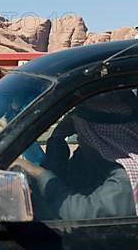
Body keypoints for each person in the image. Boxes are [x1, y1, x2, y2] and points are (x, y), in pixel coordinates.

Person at [11, 89, 138, 220]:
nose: (79, 140)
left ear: (98, 138)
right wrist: (57, 139)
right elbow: (62, 182)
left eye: (82, 135)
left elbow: (80, 212)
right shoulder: (92, 160)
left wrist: (38, 173)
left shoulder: (128, 178)